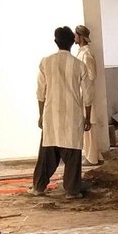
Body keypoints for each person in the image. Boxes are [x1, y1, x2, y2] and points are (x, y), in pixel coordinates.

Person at [31, 26, 91, 198]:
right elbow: (88, 95)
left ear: (56, 42)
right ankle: (71, 190)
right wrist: (87, 117)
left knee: (46, 154)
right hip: (73, 116)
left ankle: (38, 187)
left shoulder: (45, 62)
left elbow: (40, 92)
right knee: (72, 155)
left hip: (51, 115)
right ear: (73, 41)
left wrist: (41, 115)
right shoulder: (79, 65)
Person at [73, 24, 102, 164]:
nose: (74, 37)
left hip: (85, 92)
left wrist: (84, 88)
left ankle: (92, 157)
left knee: (88, 124)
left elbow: (91, 75)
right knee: (86, 124)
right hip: (82, 92)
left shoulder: (86, 54)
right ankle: (95, 155)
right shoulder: (82, 52)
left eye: (76, 35)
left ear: (81, 37)